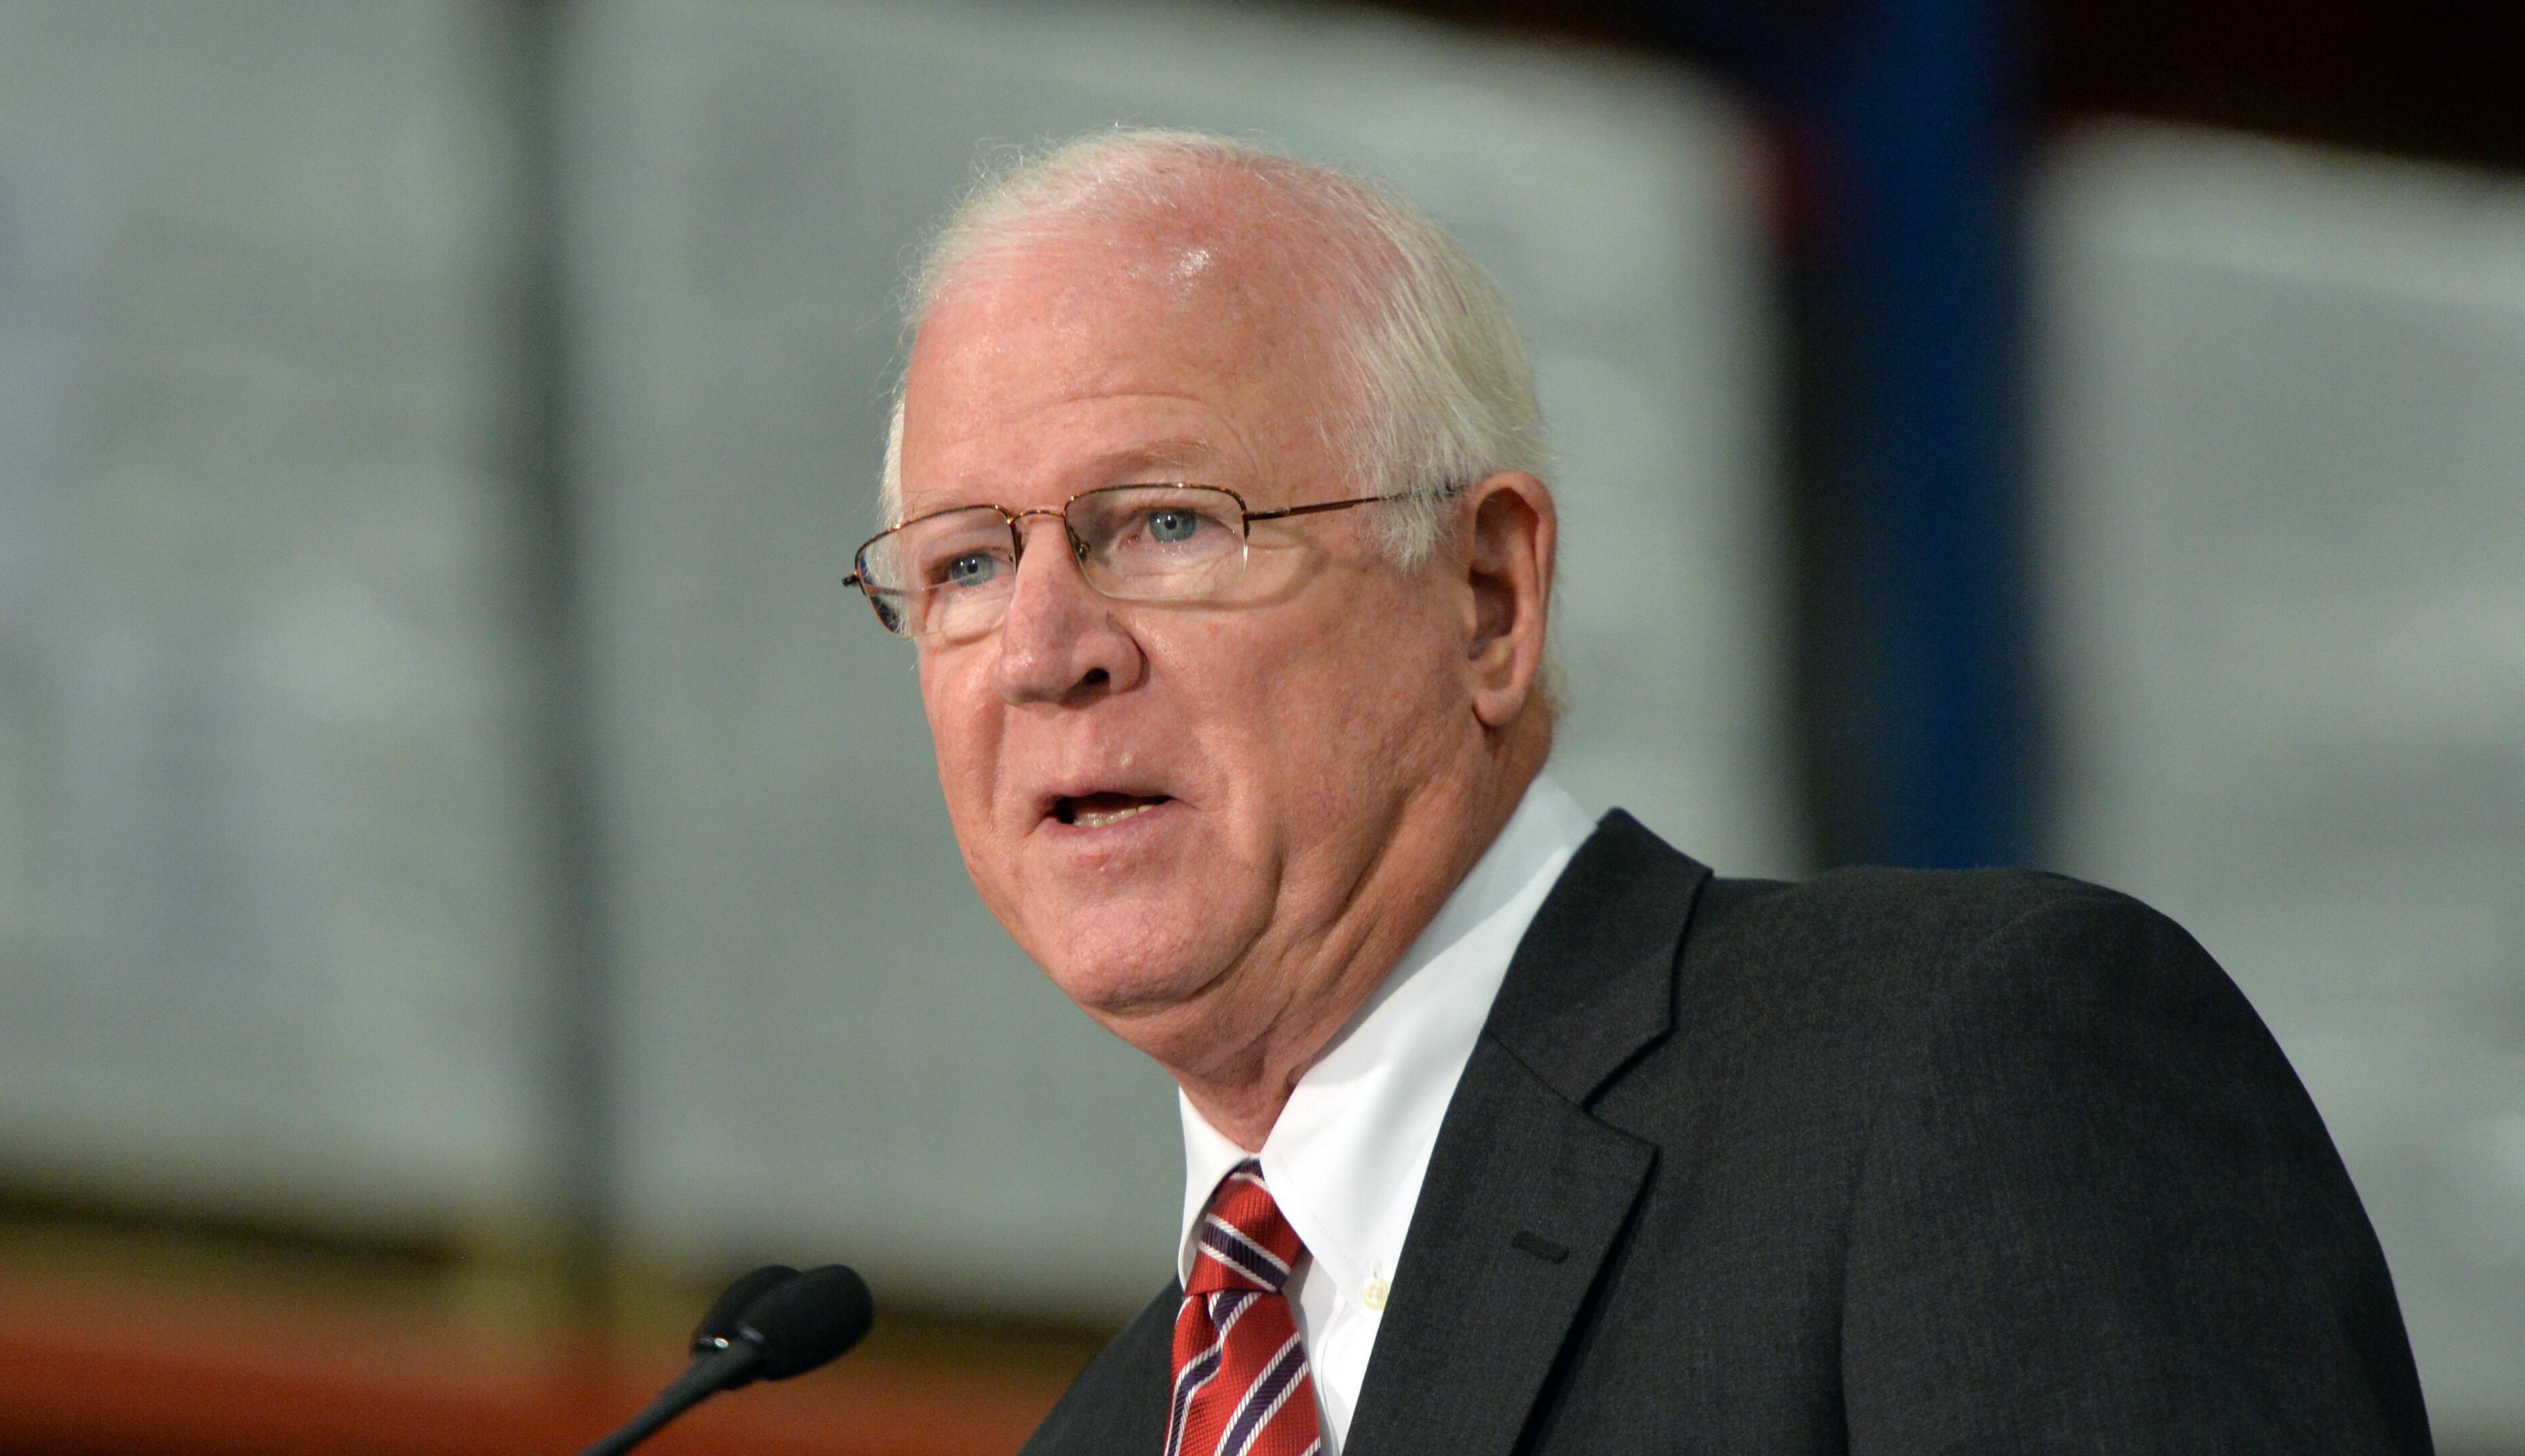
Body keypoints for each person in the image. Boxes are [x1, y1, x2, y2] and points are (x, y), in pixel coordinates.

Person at [841, 129, 2431, 1455]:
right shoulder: (1102, 1435)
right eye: (966, 564)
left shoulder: (1963, 1071)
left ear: (1488, 595)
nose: (1043, 651)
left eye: (1166, 525)